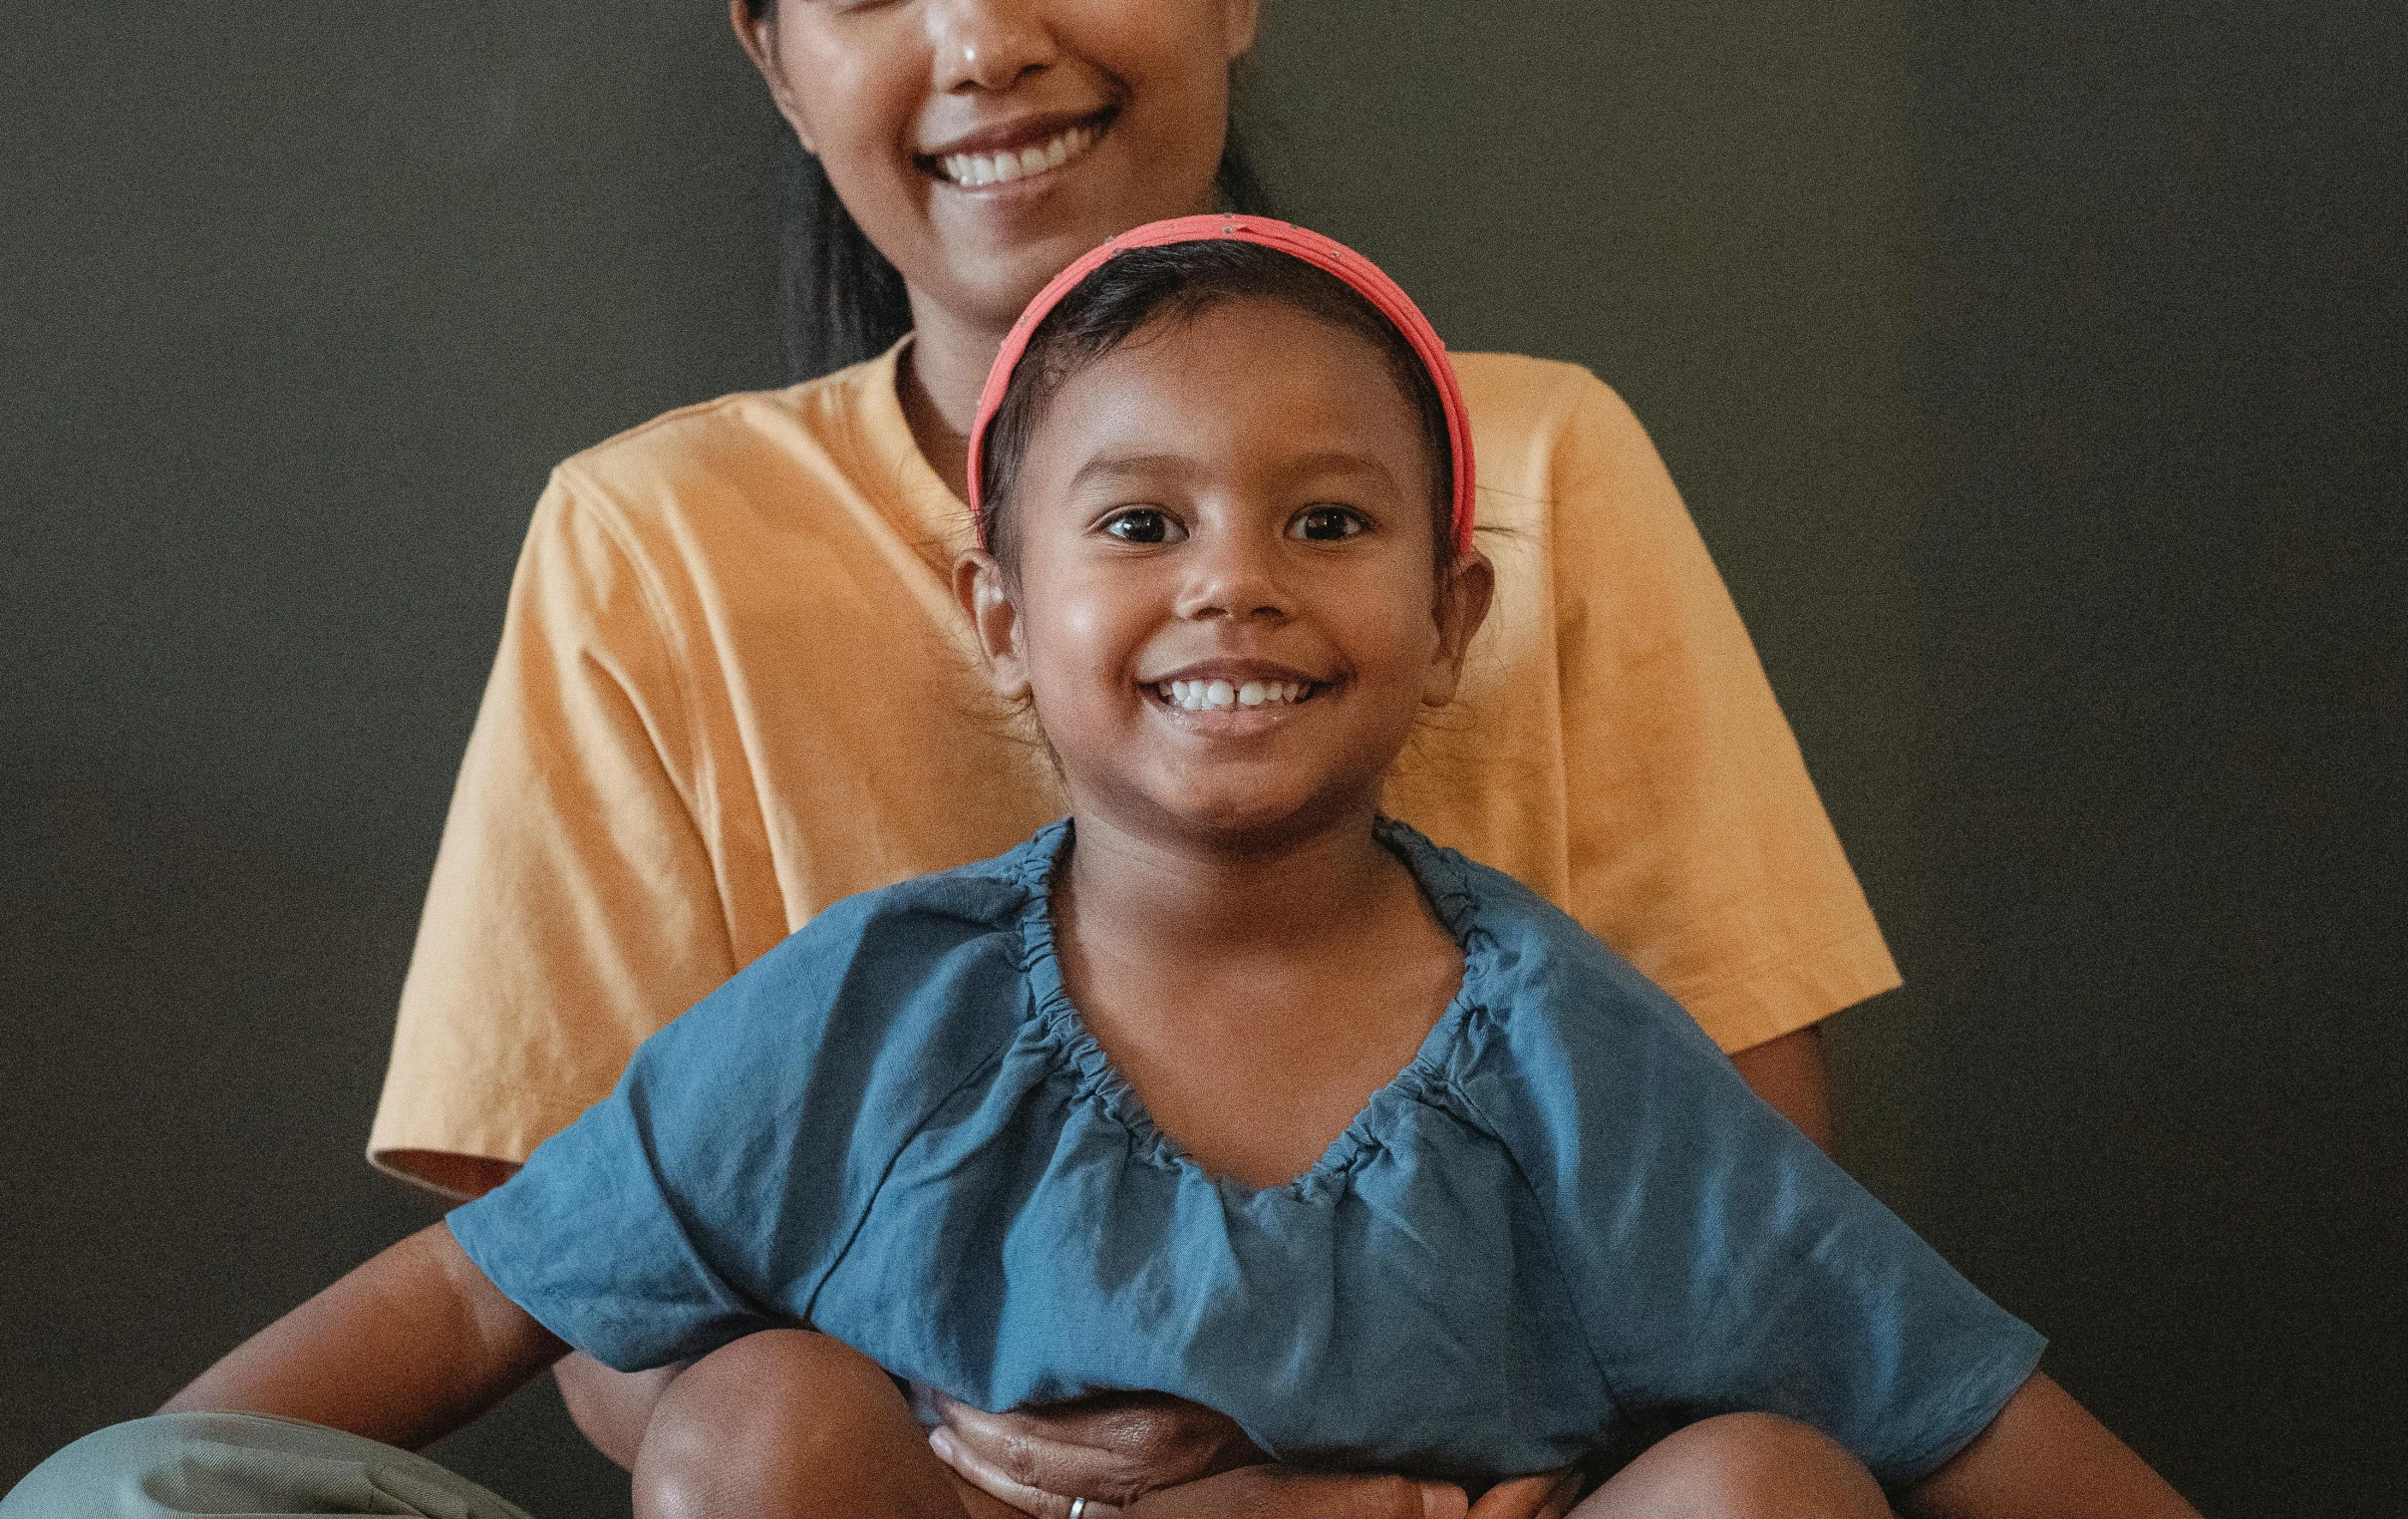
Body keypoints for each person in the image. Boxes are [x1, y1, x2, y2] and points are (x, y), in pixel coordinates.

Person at [3, 218, 2200, 1519]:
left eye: (1324, 526)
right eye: (1139, 527)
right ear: (998, 623)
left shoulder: (1560, 1054)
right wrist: (151, 1486)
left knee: (1765, 1489)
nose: (1231, 589)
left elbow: (1971, 1418)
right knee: (762, 1421)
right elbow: (481, 1292)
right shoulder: (876, 1008)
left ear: (1450, 624)